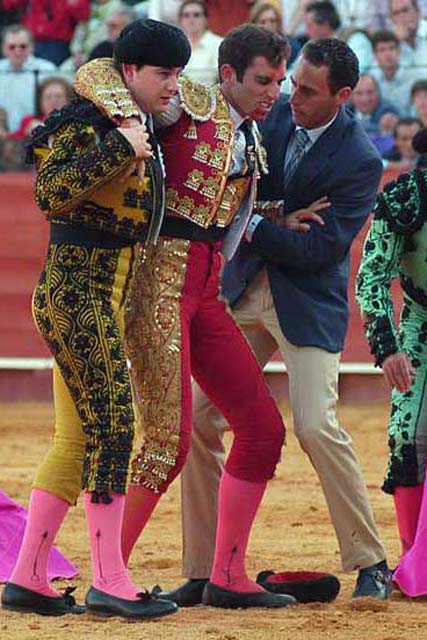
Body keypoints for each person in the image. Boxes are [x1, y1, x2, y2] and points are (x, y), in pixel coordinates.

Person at [153, 37, 393, 608]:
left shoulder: (360, 159)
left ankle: (369, 559)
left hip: (307, 302)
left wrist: (257, 222)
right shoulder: (273, 116)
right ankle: (206, 566)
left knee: (315, 425)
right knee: (201, 418)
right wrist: (274, 216)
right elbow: (233, 197)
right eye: (291, 83)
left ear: (342, 95)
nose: (291, 97)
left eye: (308, 91)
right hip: (244, 292)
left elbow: (319, 250)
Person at [74, 23, 296, 610]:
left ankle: (227, 575)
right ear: (226, 76)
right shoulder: (188, 101)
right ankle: (107, 578)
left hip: (206, 290)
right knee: (165, 443)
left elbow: (227, 214)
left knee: (262, 429)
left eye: (279, 80)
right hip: (158, 287)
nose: (273, 91)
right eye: (261, 80)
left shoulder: (252, 135)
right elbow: (97, 71)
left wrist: (274, 222)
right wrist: (126, 122)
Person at [1, 18, 191, 620]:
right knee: (114, 424)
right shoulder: (88, 122)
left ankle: (28, 576)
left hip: (99, 298)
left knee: (76, 437)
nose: (173, 86)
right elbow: (49, 191)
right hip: (75, 295)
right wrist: (118, 148)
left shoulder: (140, 126)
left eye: (179, 74)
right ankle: (110, 579)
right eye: (163, 73)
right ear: (129, 71)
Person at [356, 127, 427, 597]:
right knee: (407, 434)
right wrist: (387, 346)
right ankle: (413, 561)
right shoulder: (405, 197)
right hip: (421, 323)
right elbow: (372, 277)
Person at [0, 25, 56, 133]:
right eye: (12, 47)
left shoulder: (47, 69)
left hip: (38, 132)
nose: (17, 51)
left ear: (32, 47)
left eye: (23, 46)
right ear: (4, 49)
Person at [370, 30, 416, 117]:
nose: (388, 54)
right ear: (375, 55)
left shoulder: (413, 77)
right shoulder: (370, 79)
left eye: (392, 48)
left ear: (399, 51)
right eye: (382, 50)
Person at [11, 76, 73, 141]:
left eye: (58, 96)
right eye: (48, 97)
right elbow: (11, 140)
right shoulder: (28, 122)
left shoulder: (76, 122)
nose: (53, 101)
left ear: (68, 100)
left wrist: (43, 129)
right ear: (41, 101)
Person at [178, 0, 222, 86]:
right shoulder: (175, 45)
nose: (191, 20)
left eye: (196, 15)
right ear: (180, 20)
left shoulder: (218, 43)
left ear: (206, 19)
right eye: (186, 15)